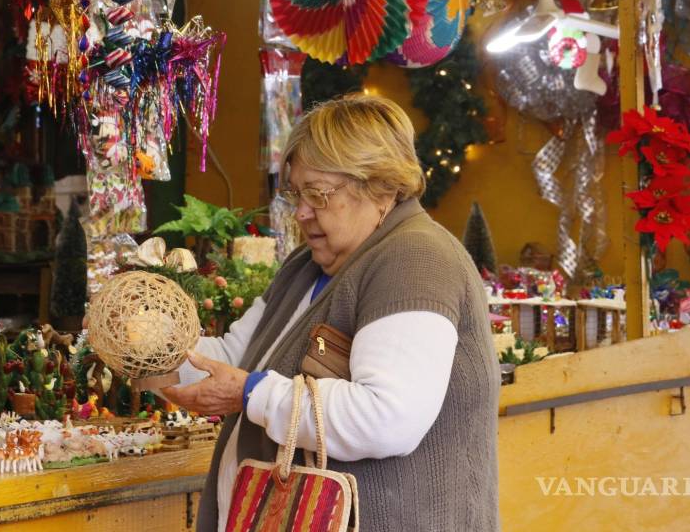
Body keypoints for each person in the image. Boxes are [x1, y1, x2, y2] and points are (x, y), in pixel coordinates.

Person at [163, 94, 500, 531]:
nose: (302, 213)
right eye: (297, 194)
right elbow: (232, 359)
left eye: (318, 195)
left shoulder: (414, 259)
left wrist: (254, 394)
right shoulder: (308, 267)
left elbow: (386, 417)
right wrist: (151, 353)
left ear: (381, 186)